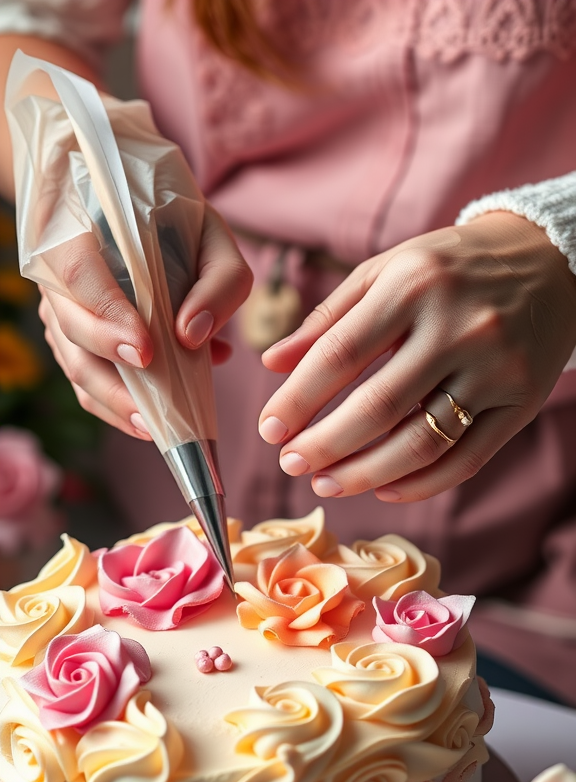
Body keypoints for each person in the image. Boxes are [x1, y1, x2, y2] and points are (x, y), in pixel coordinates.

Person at [1, 0, 576, 701]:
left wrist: (558, 249)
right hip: (197, 373)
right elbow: (30, 23)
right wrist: (77, 167)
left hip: (536, 502)